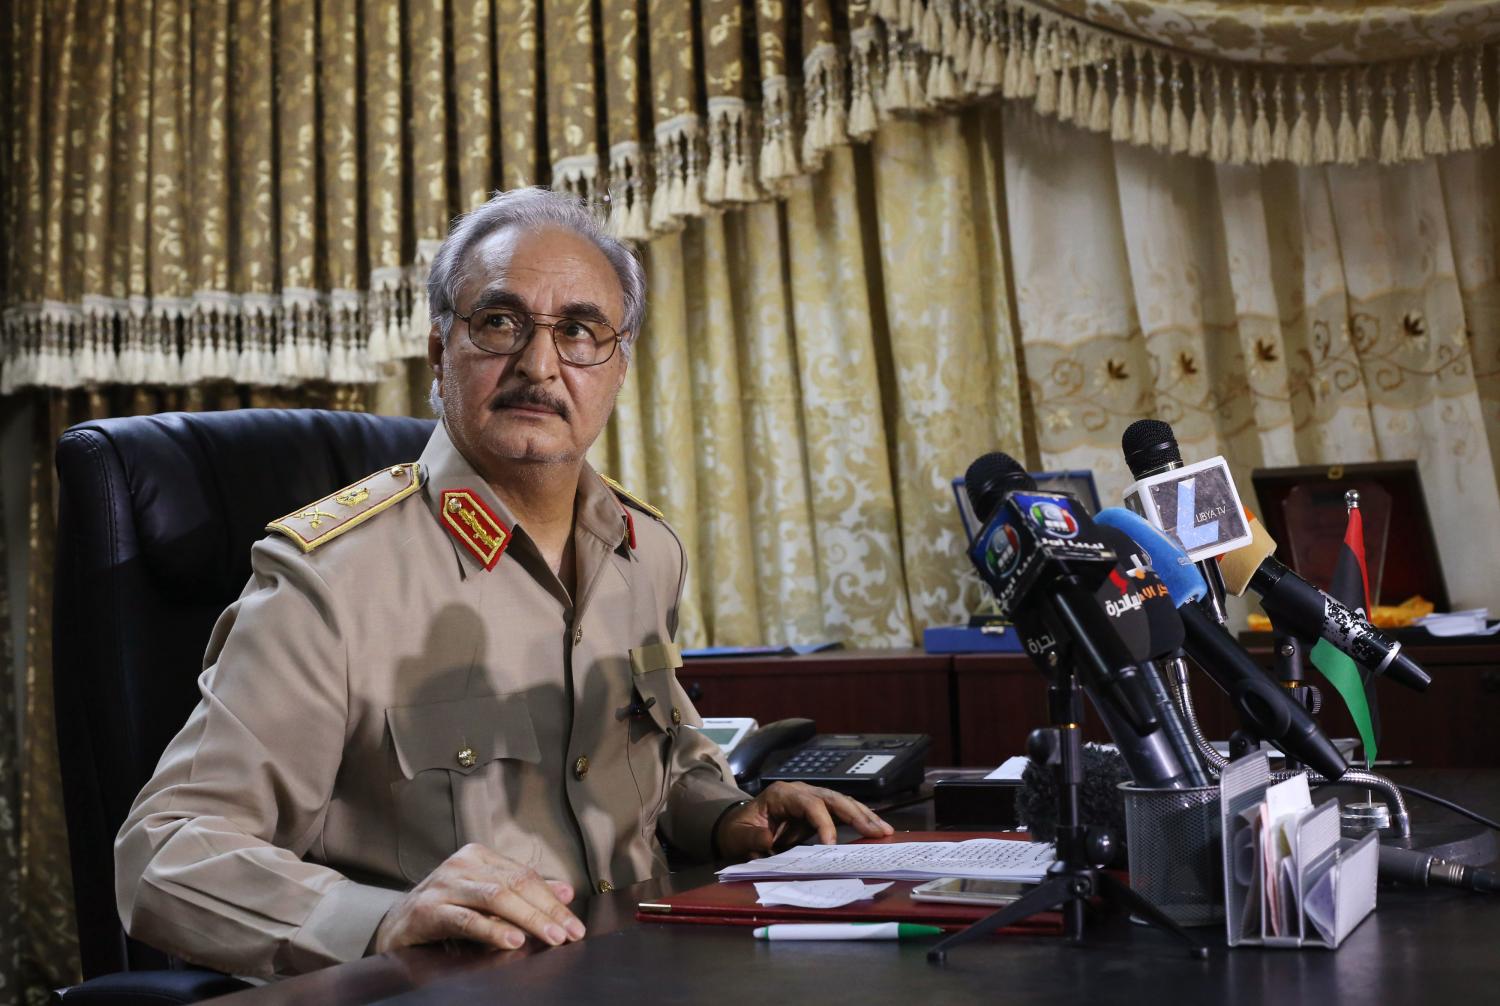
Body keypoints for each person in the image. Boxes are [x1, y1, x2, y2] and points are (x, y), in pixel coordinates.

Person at [114, 187, 893, 979]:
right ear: (437, 353)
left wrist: (731, 818)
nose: (539, 364)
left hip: (640, 971)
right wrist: (380, 919)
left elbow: (663, 753)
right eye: (498, 322)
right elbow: (163, 855)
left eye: (581, 330)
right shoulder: (332, 581)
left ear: (618, 366)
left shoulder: (644, 551)